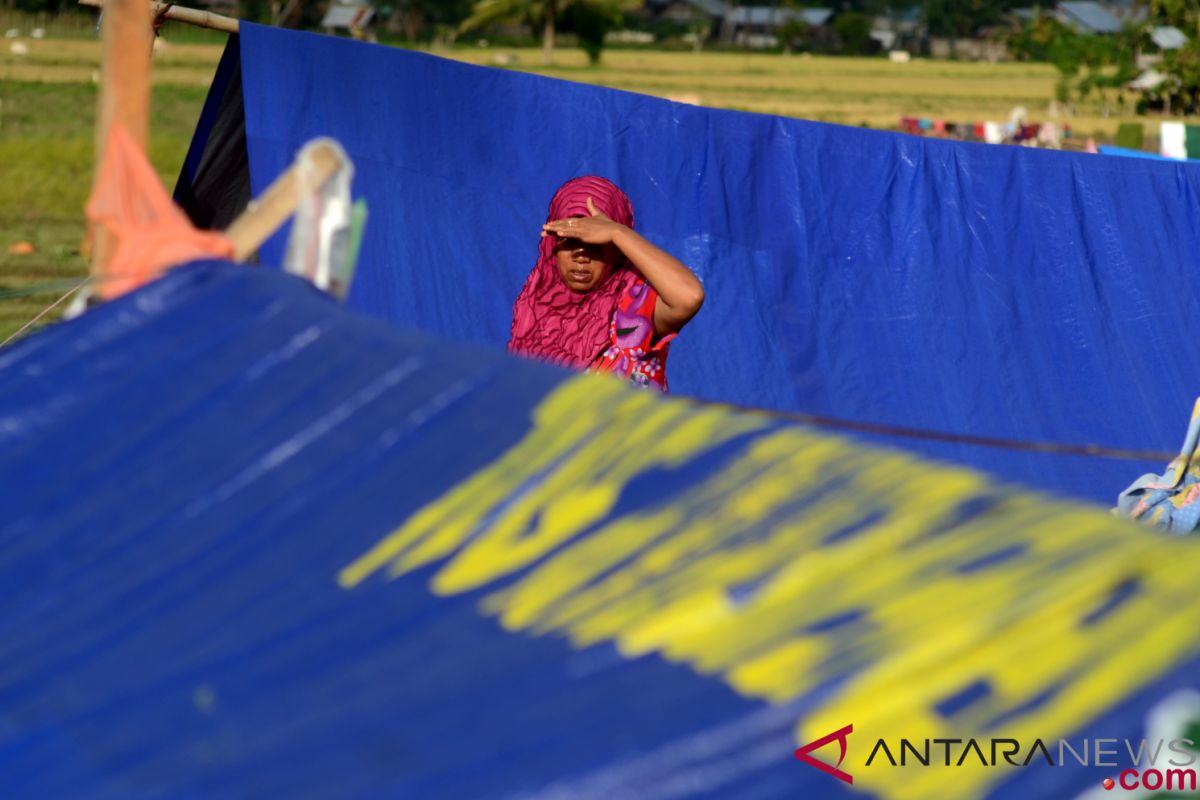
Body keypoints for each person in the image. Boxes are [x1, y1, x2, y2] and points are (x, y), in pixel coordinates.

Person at [508, 176, 704, 392]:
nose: (581, 256)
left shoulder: (635, 309)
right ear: (551, 247)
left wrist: (617, 232)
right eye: (570, 240)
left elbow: (689, 297)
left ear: (616, 250)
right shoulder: (535, 313)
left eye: (596, 244)